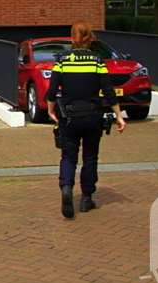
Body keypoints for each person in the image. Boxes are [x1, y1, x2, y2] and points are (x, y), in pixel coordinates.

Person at [45, 21, 126, 219]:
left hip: (69, 116)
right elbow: (108, 90)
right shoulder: (97, 60)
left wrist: (51, 110)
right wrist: (118, 115)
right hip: (92, 115)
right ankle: (86, 198)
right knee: (90, 157)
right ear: (90, 38)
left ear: (72, 37)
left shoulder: (62, 60)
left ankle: (66, 189)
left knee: (68, 156)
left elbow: (52, 89)